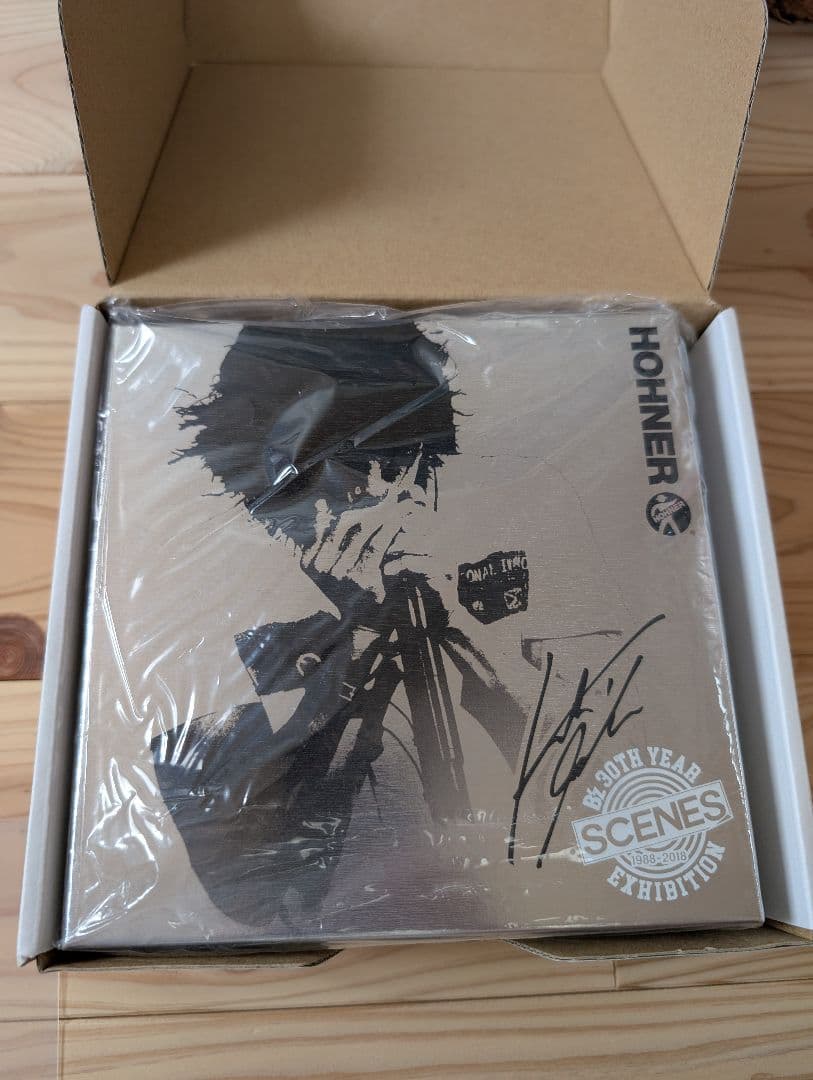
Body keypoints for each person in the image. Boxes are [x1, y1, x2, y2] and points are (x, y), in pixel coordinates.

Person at [151, 318, 529, 932]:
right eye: (358, 468)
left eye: (412, 466)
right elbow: (253, 891)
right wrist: (353, 642)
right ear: (275, 491)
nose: (399, 496)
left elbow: (552, 776)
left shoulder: (454, 609)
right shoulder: (207, 658)